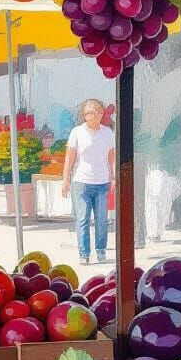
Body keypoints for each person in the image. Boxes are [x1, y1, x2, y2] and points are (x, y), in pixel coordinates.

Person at [62, 97, 116, 265]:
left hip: (102, 182)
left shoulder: (107, 132)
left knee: (101, 219)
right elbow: (69, 158)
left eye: (98, 112)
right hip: (81, 182)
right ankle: (84, 253)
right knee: (82, 219)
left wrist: (114, 177)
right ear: (85, 115)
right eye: (90, 112)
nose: (95, 115)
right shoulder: (77, 132)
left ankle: (101, 251)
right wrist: (65, 180)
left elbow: (112, 156)